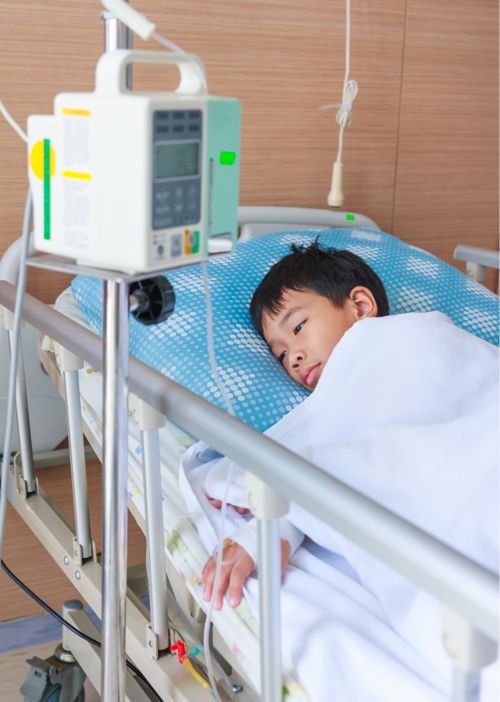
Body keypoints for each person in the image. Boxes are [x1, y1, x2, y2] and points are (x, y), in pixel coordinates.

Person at [200, 241, 390, 608]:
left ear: (361, 307)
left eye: (299, 327)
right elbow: (339, 463)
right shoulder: (334, 404)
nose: (295, 357)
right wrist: (275, 529)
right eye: (282, 354)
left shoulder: (416, 340)